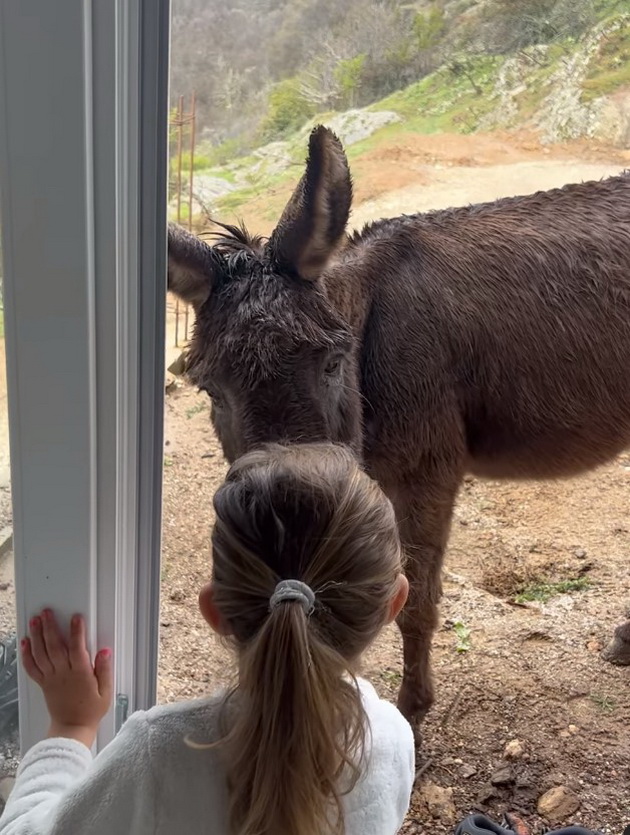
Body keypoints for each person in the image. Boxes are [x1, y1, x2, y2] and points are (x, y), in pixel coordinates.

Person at [0, 443, 415, 835]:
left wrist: (71, 727)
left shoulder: (160, 755)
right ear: (392, 603)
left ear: (214, 611)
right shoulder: (391, 740)